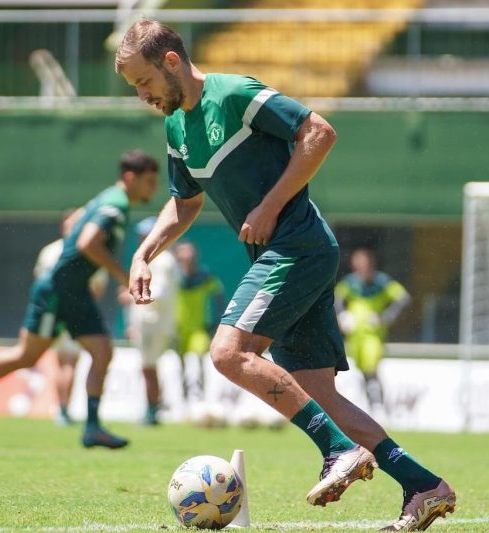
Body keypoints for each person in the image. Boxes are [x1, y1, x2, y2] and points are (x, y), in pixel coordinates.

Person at [114, 19, 455, 530]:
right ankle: (424, 485)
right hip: (283, 254)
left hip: (297, 247)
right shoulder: (175, 127)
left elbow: (319, 132)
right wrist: (145, 253)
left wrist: (271, 206)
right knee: (316, 392)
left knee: (229, 353)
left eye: (143, 81)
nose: (141, 94)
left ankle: (339, 452)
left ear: (170, 62)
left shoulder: (234, 93)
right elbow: (184, 204)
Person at [0, 149, 159, 449]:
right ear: (130, 177)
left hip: (75, 290)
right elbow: (88, 241)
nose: (153, 188)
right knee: (28, 355)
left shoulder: (112, 200)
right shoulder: (115, 204)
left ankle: (92, 427)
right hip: (59, 290)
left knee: (101, 351)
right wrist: (122, 275)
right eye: (150, 181)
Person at [33, 208, 110, 427]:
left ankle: (62, 407)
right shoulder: (87, 250)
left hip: (53, 313)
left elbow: (41, 284)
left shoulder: (49, 251)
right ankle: (66, 410)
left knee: (62, 362)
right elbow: (97, 288)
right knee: (72, 362)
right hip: (75, 313)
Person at [119, 216, 181, 425]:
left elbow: (159, 292)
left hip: (153, 323)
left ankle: (152, 411)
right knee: (149, 366)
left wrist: (130, 295)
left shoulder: (162, 260)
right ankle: (153, 408)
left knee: (149, 367)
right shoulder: (157, 259)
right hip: (149, 322)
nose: (141, 238)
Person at [335, 247, 411, 414]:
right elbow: (336, 298)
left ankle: (378, 407)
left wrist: (385, 317)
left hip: (373, 335)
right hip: (354, 336)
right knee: (362, 370)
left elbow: (403, 298)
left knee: (371, 368)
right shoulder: (350, 282)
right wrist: (342, 315)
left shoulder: (382, 282)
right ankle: (371, 404)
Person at [173, 241, 225, 402]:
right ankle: (182, 398)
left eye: (189, 252)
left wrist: (217, 323)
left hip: (198, 328)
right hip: (176, 328)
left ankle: (200, 397)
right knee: (178, 364)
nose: (186, 256)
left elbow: (219, 296)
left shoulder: (205, 277)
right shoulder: (171, 277)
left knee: (197, 361)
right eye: (182, 252)